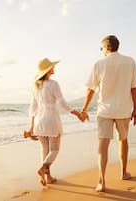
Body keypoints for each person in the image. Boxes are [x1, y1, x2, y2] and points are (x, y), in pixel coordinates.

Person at [78, 35, 136, 192]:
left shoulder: (99, 64)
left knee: (103, 144)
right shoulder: (130, 61)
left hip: (105, 110)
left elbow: (91, 89)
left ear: (107, 47)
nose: (101, 51)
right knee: (123, 140)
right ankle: (123, 172)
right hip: (124, 109)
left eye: (101, 48)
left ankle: (101, 181)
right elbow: (134, 88)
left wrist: (84, 109)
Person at [27, 58, 79, 186]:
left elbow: (33, 107)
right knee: (54, 150)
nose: (54, 68)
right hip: (51, 119)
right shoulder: (53, 84)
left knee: (45, 149)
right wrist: (76, 112)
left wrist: (31, 127)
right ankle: (43, 169)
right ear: (48, 70)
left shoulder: (35, 86)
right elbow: (62, 103)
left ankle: (47, 178)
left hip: (39, 120)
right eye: (52, 67)